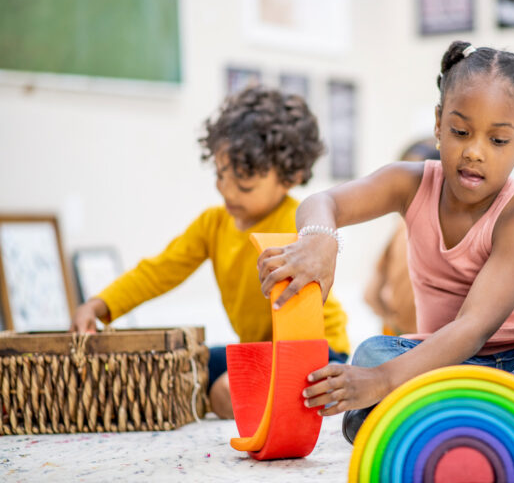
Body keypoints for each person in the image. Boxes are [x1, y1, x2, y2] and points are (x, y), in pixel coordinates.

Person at [257, 41, 514, 453]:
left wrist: (385, 383)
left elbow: (472, 329)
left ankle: (424, 418)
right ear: (439, 124)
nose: (474, 152)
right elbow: (323, 202)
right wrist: (320, 240)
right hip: (447, 359)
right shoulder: (410, 183)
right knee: (371, 352)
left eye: (498, 140)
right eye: (460, 132)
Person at [71, 86, 350, 419]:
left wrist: (263, 375)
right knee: (188, 365)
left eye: (244, 184)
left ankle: (283, 406)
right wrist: (99, 304)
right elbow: (160, 270)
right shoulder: (213, 225)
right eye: (220, 176)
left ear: (291, 178)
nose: (228, 191)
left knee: (225, 391)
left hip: (318, 351)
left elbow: (301, 316)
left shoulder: (297, 221)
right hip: (258, 348)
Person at [364, 139, 440, 335]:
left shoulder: (402, 227)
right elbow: (371, 294)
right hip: (426, 342)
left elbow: (371, 295)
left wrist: (397, 325)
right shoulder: (402, 228)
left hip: (406, 338)